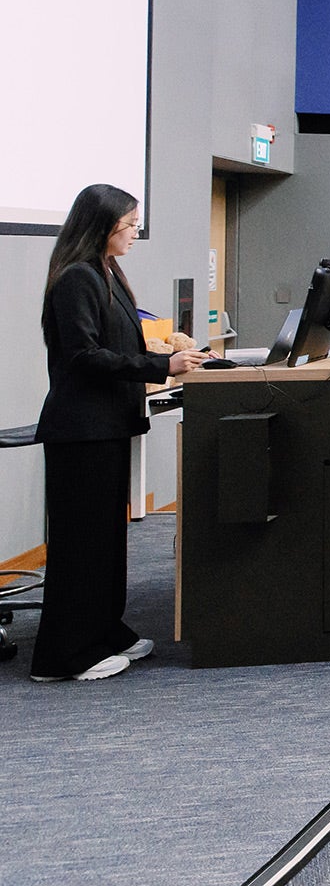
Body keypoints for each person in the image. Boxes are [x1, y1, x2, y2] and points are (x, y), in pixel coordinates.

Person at [30, 186, 209, 683]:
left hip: (106, 427)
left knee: (106, 542)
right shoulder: (76, 278)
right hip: (80, 431)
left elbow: (119, 342)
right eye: (130, 225)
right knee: (81, 545)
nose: (135, 233)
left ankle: (104, 631)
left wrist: (174, 355)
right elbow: (84, 356)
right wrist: (162, 366)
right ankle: (63, 657)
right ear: (101, 225)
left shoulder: (106, 272)